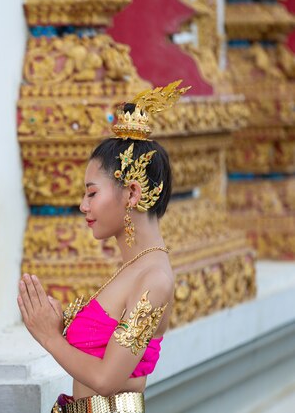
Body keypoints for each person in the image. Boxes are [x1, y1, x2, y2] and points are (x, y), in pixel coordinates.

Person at [17, 82, 189, 413]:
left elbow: (108, 378)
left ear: (132, 194)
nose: (83, 205)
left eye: (92, 193)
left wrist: (50, 338)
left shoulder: (154, 279)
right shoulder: (135, 268)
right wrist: (60, 321)